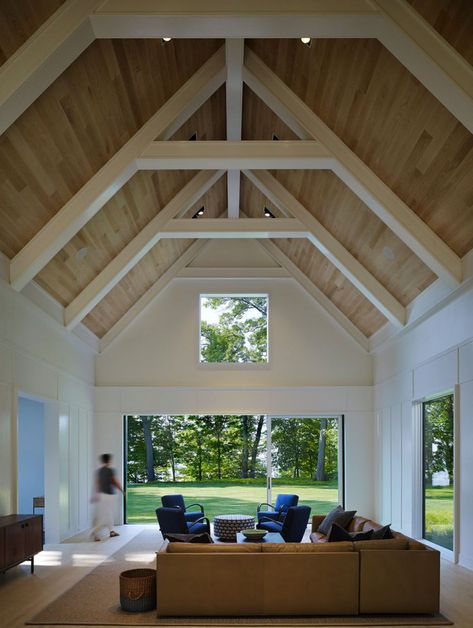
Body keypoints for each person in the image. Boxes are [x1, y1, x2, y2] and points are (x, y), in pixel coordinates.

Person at [90, 453, 124, 541]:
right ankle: (95, 531)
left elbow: (96, 483)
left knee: (108, 514)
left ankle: (112, 531)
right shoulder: (110, 470)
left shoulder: (99, 471)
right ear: (109, 460)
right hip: (109, 495)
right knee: (106, 515)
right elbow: (115, 482)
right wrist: (122, 490)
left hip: (101, 495)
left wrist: (95, 494)